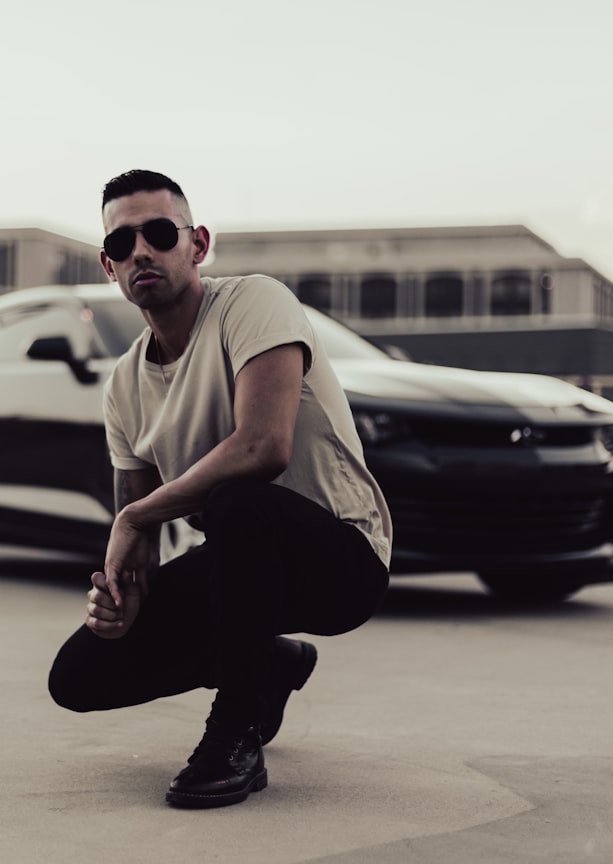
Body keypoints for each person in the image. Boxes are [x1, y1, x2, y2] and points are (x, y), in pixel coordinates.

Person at [48, 169, 392, 808]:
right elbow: (141, 549)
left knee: (238, 500)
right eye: (122, 244)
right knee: (78, 674)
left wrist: (133, 518)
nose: (141, 252)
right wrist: (119, 606)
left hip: (342, 560)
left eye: (158, 233)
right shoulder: (124, 387)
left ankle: (235, 732)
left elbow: (264, 447)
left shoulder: (254, 303)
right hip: (244, 568)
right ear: (108, 265)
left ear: (197, 244)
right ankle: (270, 663)